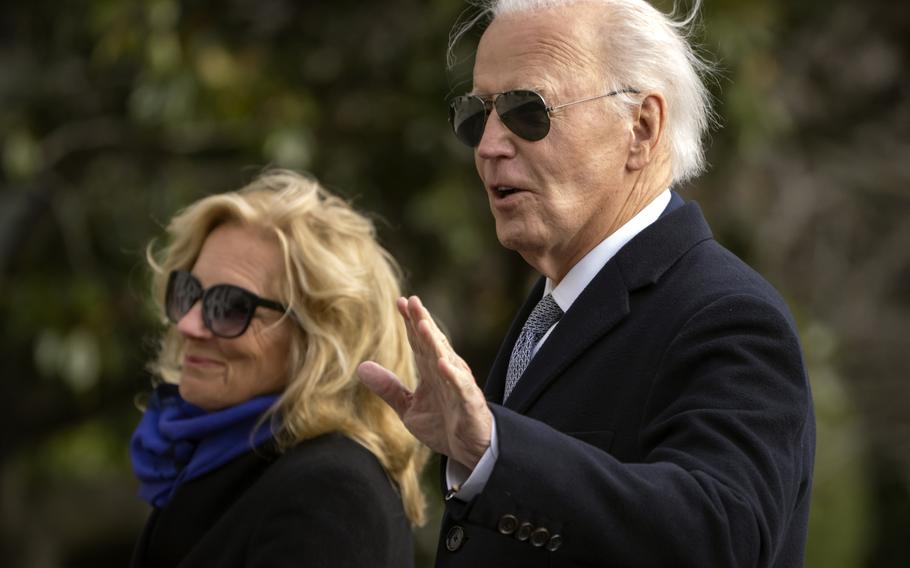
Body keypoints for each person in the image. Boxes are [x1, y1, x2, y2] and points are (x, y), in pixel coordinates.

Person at [357, 0, 815, 566]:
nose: (489, 145)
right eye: (477, 115)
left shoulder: (728, 315)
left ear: (642, 128)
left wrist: (495, 451)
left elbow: (723, 538)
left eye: (529, 110)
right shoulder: (555, 303)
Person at [129, 170, 428, 567]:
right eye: (189, 293)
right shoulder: (224, 460)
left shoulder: (332, 494)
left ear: (320, 339)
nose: (187, 325)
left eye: (231, 306)